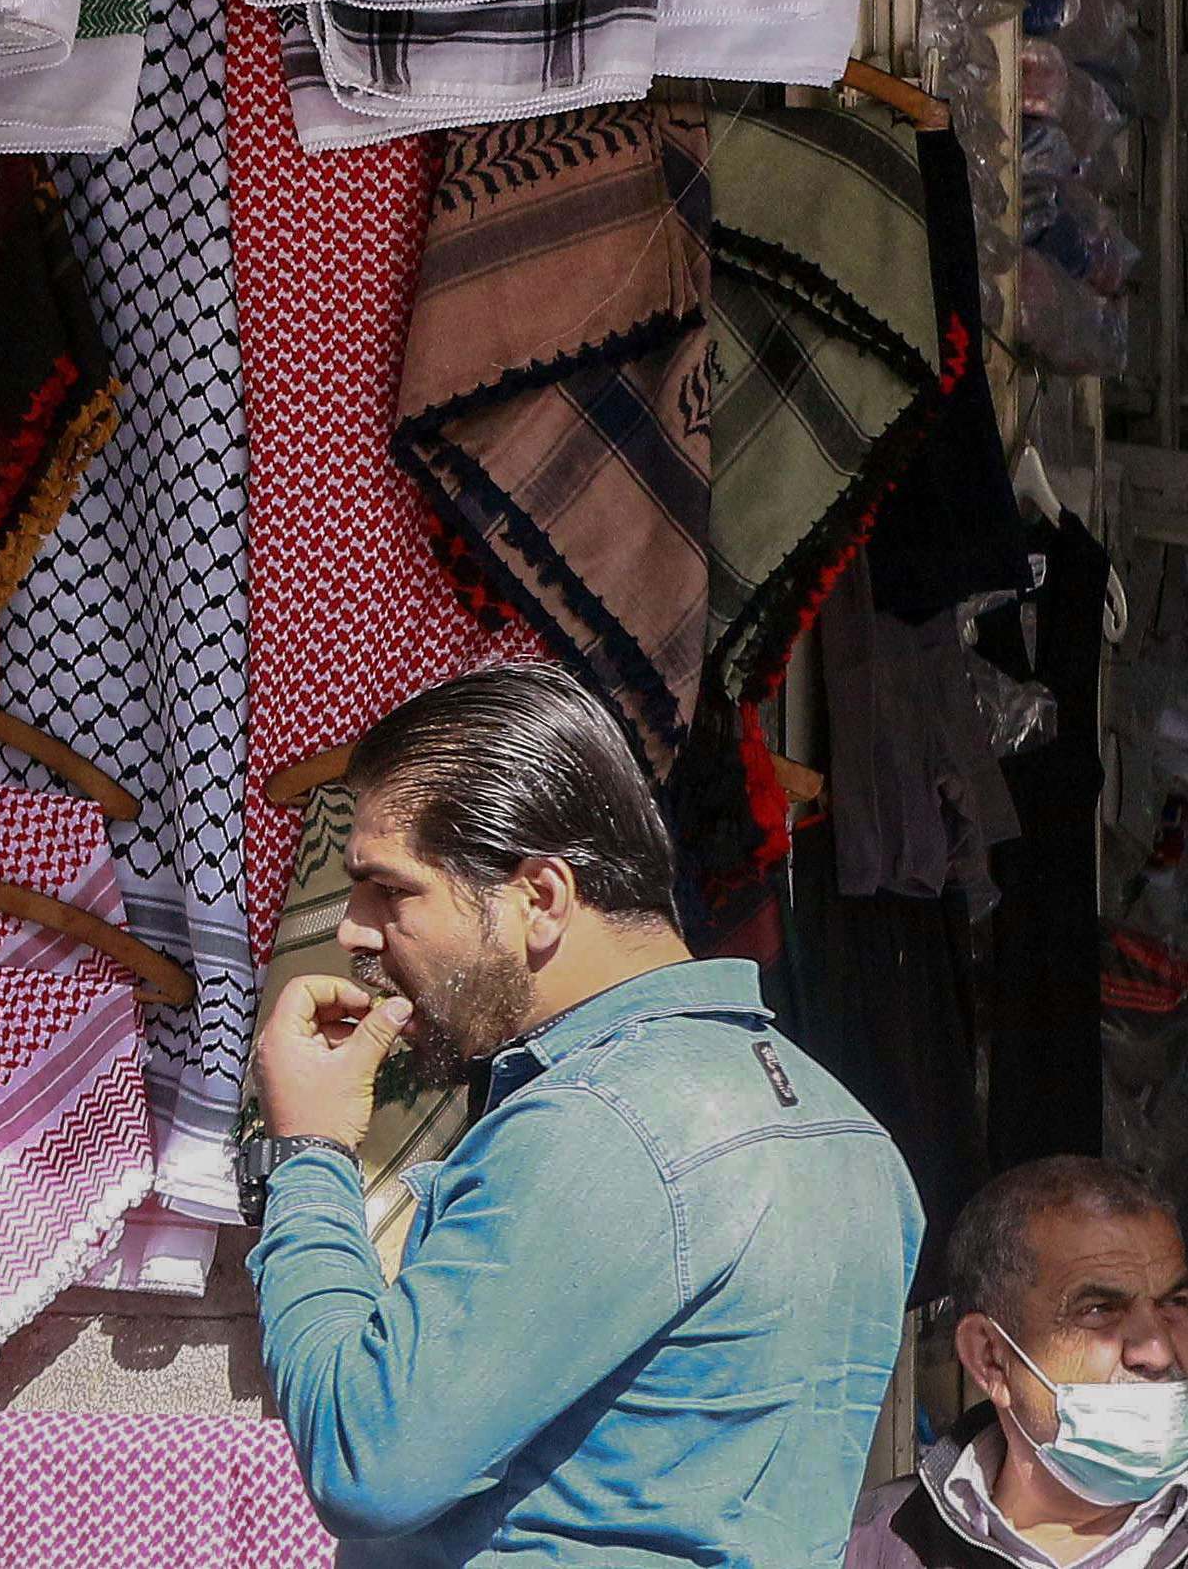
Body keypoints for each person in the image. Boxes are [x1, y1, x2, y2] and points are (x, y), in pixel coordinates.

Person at [243, 663, 921, 1568]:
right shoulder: (848, 1129)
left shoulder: (596, 1128)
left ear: (542, 897)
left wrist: (311, 1151)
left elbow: (365, 1458)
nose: (354, 931)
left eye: (390, 890)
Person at [847, 1157, 1188, 1569]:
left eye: (1175, 1303)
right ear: (991, 1358)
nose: (1158, 1351)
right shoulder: (879, 1542)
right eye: (1099, 1310)